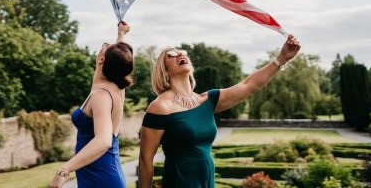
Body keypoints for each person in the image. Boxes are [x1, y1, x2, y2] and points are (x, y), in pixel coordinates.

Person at [138, 34, 301, 188]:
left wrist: (282, 59)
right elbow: (145, 159)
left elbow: (249, 85)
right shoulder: (160, 107)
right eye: (172, 54)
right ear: (164, 70)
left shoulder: (208, 100)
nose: (180, 54)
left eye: (183, 52)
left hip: (207, 181)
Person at [49, 22, 133, 188]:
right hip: (97, 173)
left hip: (101, 178)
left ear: (102, 59)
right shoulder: (115, 86)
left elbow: (104, 141)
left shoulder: (101, 96)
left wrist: (64, 170)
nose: (105, 44)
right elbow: (121, 58)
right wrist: (121, 34)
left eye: (106, 46)